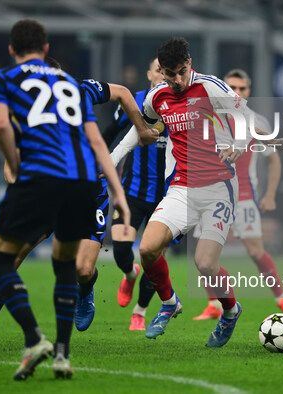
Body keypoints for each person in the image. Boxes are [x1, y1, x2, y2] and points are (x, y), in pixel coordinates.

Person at [0, 57, 157, 346]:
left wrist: (141, 129)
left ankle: (86, 292)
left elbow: (124, 93)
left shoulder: (83, 89)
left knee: (83, 270)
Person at [0, 19, 131, 380]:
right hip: (82, 182)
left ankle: (34, 338)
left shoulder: (3, 79)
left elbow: (1, 126)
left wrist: (14, 163)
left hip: (40, 179)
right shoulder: (70, 85)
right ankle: (62, 355)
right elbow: (95, 141)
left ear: (12, 51)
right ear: (46, 50)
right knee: (64, 265)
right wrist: (118, 193)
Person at [137, 37, 254, 347]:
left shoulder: (210, 87)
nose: (177, 80)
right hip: (183, 186)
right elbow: (149, 125)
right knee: (147, 249)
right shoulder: (156, 97)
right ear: (159, 70)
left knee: (205, 264)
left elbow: (245, 115)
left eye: (182, 71)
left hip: (219, 186)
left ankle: (230, 311)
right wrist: (146, 136)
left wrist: (238, 145)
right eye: (170, 74)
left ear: (190, 64)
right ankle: (170, 302)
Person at [193, 69, 283, 321]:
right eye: (232, 87)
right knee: (206, 254)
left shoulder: (256, 121)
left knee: (255, 251)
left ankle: (282, 297)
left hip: (243, 195)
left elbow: (274, 159)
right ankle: (213, 304)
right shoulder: (211, 117)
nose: (237, 92)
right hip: (212, 193)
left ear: (248, 92)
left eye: (242, 89)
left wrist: (270, 194)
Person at [103, 55, 167, 331]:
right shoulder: (136, 100)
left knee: (153, 255)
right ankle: (129, 273)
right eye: (159, 71)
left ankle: (140, 311)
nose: (163, 76)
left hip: (166, 197)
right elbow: (110, 131)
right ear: (149, 75)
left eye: (169, 72)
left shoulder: (182, 105)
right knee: (120, 249)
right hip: (131, 193)